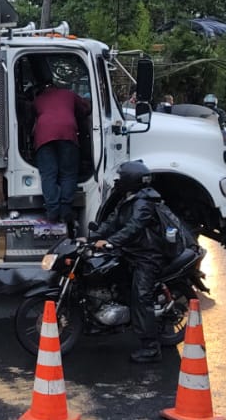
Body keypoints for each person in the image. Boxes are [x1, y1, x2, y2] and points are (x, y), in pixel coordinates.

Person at [88, 160, 168, 363]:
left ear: (131, 180)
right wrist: (92, 237)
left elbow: (134, 227)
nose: (118, 180)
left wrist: (109, 242)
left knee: (141, 297)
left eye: (121, 177)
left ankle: (151, 348)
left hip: (147, 255)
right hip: (131, 251)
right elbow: (112, 221)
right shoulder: (129, 198)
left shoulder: (144, 202)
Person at [33, 62, 92, 228]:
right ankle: (66, 211)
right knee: (68, 173)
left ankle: (52, 213)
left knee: (49, 174)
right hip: (67, 134)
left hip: (43, 136)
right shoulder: (68, 94)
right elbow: (85, 109)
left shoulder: (38, 99)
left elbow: (31, 115)